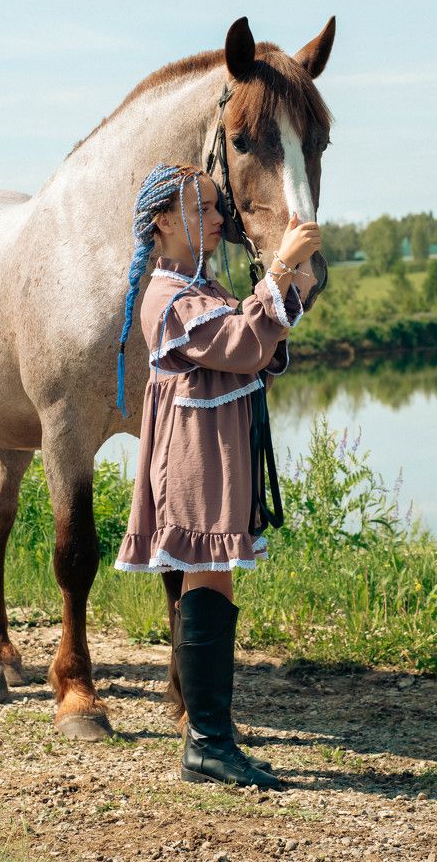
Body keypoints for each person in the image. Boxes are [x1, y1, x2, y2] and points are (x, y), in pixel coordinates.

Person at [114, 163, 321, 789]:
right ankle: (205, 744)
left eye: (215, 206)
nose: (218, 220)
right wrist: (279, 269)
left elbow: (260, 337)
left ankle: (213, 739)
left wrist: (295, 273)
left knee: (217, 580)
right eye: (202, 209)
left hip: (214, 451)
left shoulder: (196, 288)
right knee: (209, 574)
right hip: (193, 456)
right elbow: (240, 345)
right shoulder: (168, 298)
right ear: (166, 221)